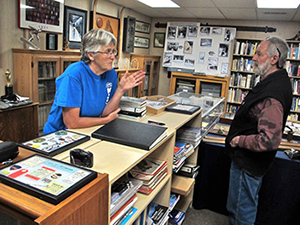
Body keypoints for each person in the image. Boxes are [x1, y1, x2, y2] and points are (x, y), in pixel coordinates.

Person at [225, 36, 292, 225]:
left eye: (259, 54)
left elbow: (269, 140)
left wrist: (239, 141)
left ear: (274, 59)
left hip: (248, 162)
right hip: (250, 162)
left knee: (240, 211)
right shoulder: (274, 81)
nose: (253, 58)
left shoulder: (274, 91)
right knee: (241, 207)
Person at [43, 29, 145, 135]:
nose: (113, 57)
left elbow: (105, 113)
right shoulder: (74, 75)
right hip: (60, 134)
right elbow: (72, 123)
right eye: (107, 52)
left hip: (89, 130)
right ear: (91, 55)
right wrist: (105, 120)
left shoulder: (111, 74)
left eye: (113, 51)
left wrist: (120, 89)